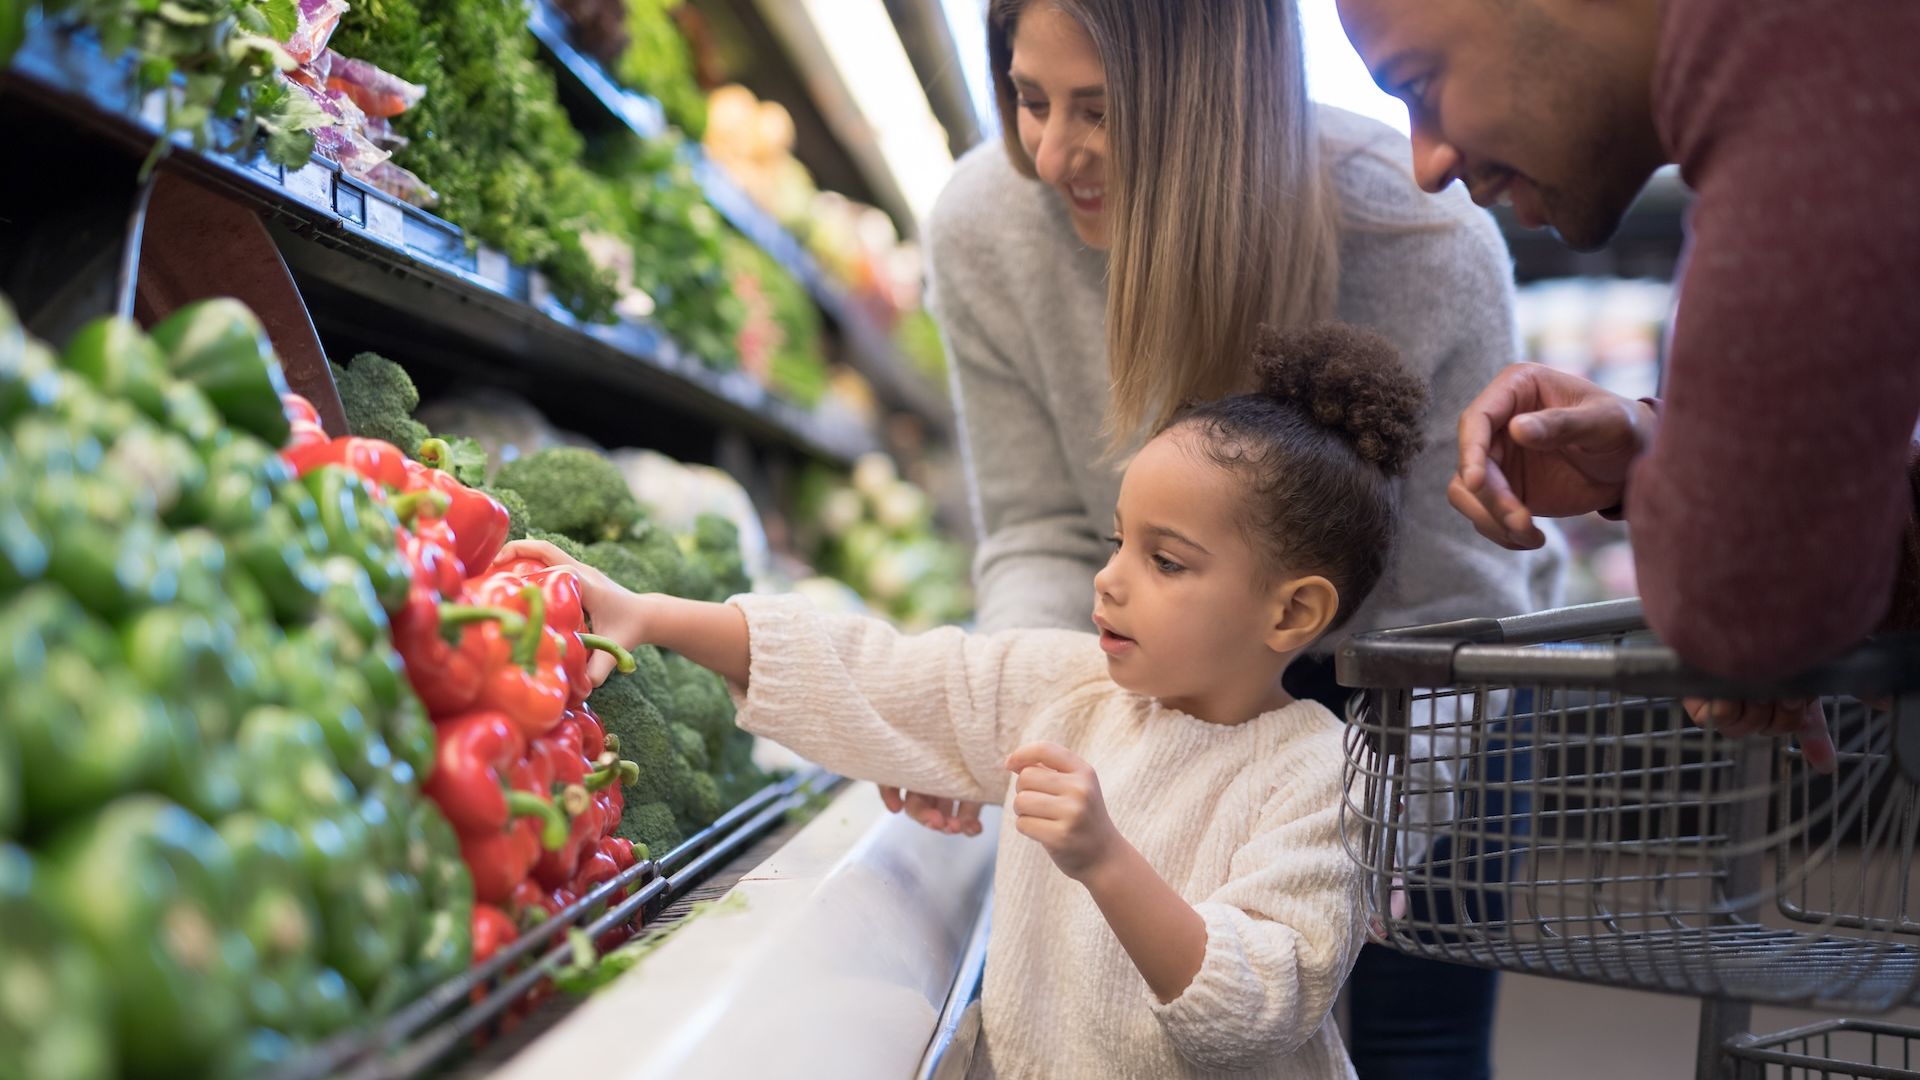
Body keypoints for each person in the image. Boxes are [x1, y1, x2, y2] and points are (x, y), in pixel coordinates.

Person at [887, 2, 1563, 1075]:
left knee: (1403, 1050)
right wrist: (1011, 719)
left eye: (1101, 111)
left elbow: (1452, 612)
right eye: (1027, 98)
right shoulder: (987, 224)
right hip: (1160, 687)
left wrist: (1351, 849)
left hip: (1411, 699)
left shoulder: (1422, 242)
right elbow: (1039, 531)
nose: (1050, 153)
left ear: (1209, 107)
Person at [505, 324, 1425, 1079]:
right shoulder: (1070, 690)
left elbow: (1253, 1012)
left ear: (1291, 610)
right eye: (1117, 542)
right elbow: (885, 674)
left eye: (1165, 560)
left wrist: (1106, 858)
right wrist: (656, 615)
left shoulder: (1320, 779)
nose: (1108, 581)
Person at [1333, 0, 1920, 721]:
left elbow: (1740, 615)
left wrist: (1737, 557)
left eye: (1420, 84)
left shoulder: (1804, 65)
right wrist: (1658, 452)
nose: (1426, 166)